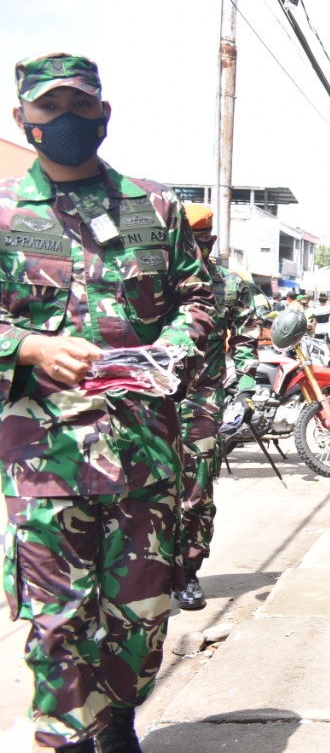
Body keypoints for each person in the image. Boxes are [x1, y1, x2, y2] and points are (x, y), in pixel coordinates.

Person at [1, 52, 214, 752]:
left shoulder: (151, 209)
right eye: (50, 108)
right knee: (57, 620)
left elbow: (200, 296)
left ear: (105, 113)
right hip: (45, 459)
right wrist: (30, 347)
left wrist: (170, 351)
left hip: (142, 456)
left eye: (80, 105)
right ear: (22, 119)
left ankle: (120, 719)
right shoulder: (5, 215)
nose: (66, 119)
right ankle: (66, 735)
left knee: (141, 610)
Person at [174, 204, 260, 611]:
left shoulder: (228, 285)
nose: (196, 248)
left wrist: (242, 389)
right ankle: (148, 573)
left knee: (196, 491)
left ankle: (187, 572)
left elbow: (247, 340)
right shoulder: (154, 280)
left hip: (204, 400)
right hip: (149, 400)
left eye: (202, 241)